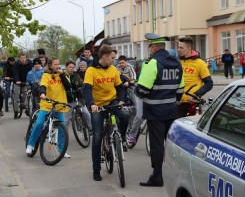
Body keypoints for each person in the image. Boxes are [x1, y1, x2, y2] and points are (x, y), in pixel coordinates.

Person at [135, 33, 183, 187]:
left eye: (150, 46)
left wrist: (136, 92)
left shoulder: (152, 63)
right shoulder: (176, 62)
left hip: (155, 112)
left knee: (157, 145)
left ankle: (157, 177)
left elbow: (142, 89)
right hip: (171, 110)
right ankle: (177, 174)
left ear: (154, 47)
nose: (150, 49)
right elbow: (180, 90)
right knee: (171, 143)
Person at [81, 44, 130, 182]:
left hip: (112, 102)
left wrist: (121, 100)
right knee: (97, 136)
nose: (114, 61)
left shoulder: (113, 69)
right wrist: (92, 104)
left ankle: (121, 138)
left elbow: (120, 87)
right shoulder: (91, 70)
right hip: (97, 105)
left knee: (125, 116)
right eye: (112, 58)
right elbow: (86, 89)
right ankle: (96, 169)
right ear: (104, 57)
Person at [26, 57, 68, 154]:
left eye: (58, 64)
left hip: (59, 104)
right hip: (47, 104)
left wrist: (62, 75)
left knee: (62, 128)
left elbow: (68, 86)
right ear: (50, 65)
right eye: (55, 64)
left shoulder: (62, 75)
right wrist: (43, 93)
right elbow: (43, 85)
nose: (57, 66)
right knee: (39, 123)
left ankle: (61, 150)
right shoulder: (46, 75)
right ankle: (30, 144)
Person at [60, 60, 92, 158]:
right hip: (67, 101)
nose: (72, 69)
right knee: (65, 121)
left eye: (73, 67)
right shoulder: (62, 75)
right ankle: (63, 138)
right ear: (66, 67)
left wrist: (81, 87)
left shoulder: (76, 75)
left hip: (78, 99)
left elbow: (81, 83)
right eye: (70, 67)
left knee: (87, 114)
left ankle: (91, 129)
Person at [177, 36, 213, 117]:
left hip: (192, 103)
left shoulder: (200, 63)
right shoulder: (176, 62)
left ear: (189, 49)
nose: (178, 50)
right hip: (178, 103)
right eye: (178, 47)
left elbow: (209, 84)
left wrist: (196, 95)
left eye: (181, 48)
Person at [13, 52, 32, 119]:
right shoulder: (16, 64)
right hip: (17, 82)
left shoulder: (29, 63)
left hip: (25, 81)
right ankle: (15, 111)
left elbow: (31, 73)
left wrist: (29, 81)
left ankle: (27, 109)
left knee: (26, 95)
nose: (23, 59)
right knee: (16, 95)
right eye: (21, 58)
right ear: (19, 58)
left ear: (26, 58)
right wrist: (17, 80)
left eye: (24, 58)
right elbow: (15, 73)